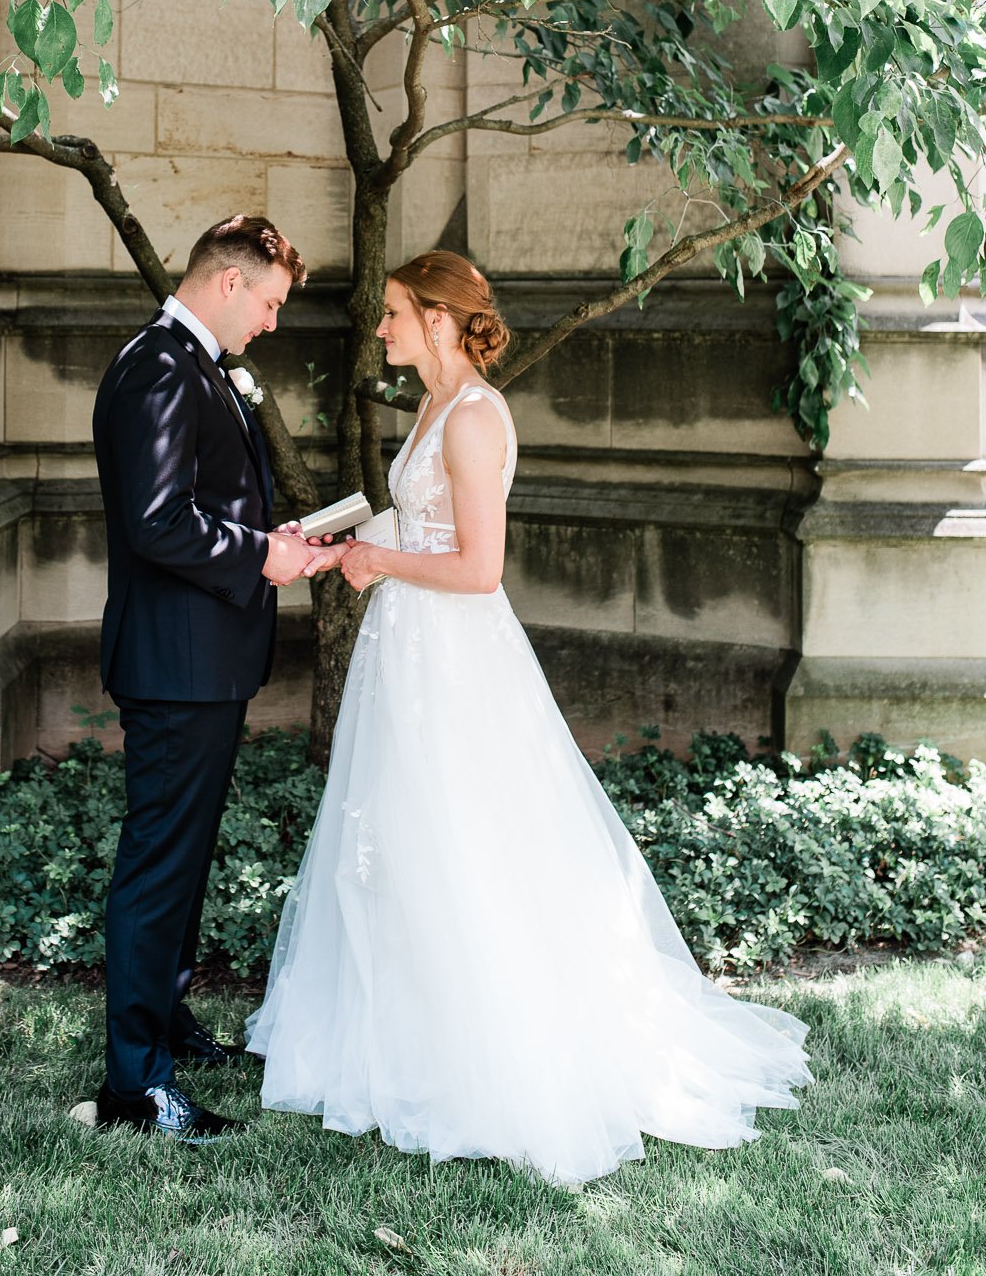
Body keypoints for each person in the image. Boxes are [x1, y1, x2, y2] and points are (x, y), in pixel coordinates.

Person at [245, 250, 813, 1183]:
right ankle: (407, 1036)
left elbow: (477, 568)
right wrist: (350, 542)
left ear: (436, 318)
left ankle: (490, 1051)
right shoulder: (429, 406)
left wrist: (377, 565)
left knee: (464, 838)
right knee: (402, 837)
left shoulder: (473, 417)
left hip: (456, 659)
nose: (378, 328)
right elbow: (423, 529)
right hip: (410, 653)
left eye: (390, 312)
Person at [92, 213, 330, 1146]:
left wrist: (269, 544)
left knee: (181, 864)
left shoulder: (192, 364)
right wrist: (261, 557)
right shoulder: (157, 364)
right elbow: (156, 521)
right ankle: (135, 1089)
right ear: (228, 283)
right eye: (268, 303)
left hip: (203, 660)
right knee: (158, 868)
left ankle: (166, 1026)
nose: (270, 323)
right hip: (175, 663)